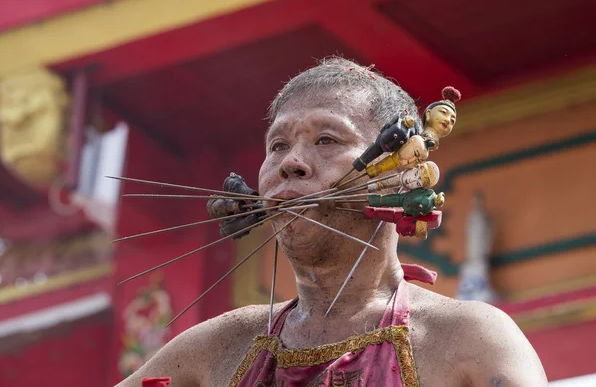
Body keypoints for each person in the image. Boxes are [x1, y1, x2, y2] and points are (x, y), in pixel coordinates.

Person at [117, 57, 548, 386]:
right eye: (278, 144)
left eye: (327, 140)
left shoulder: (467, 340)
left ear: (400, 172)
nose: (292, 163)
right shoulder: (219, 346)